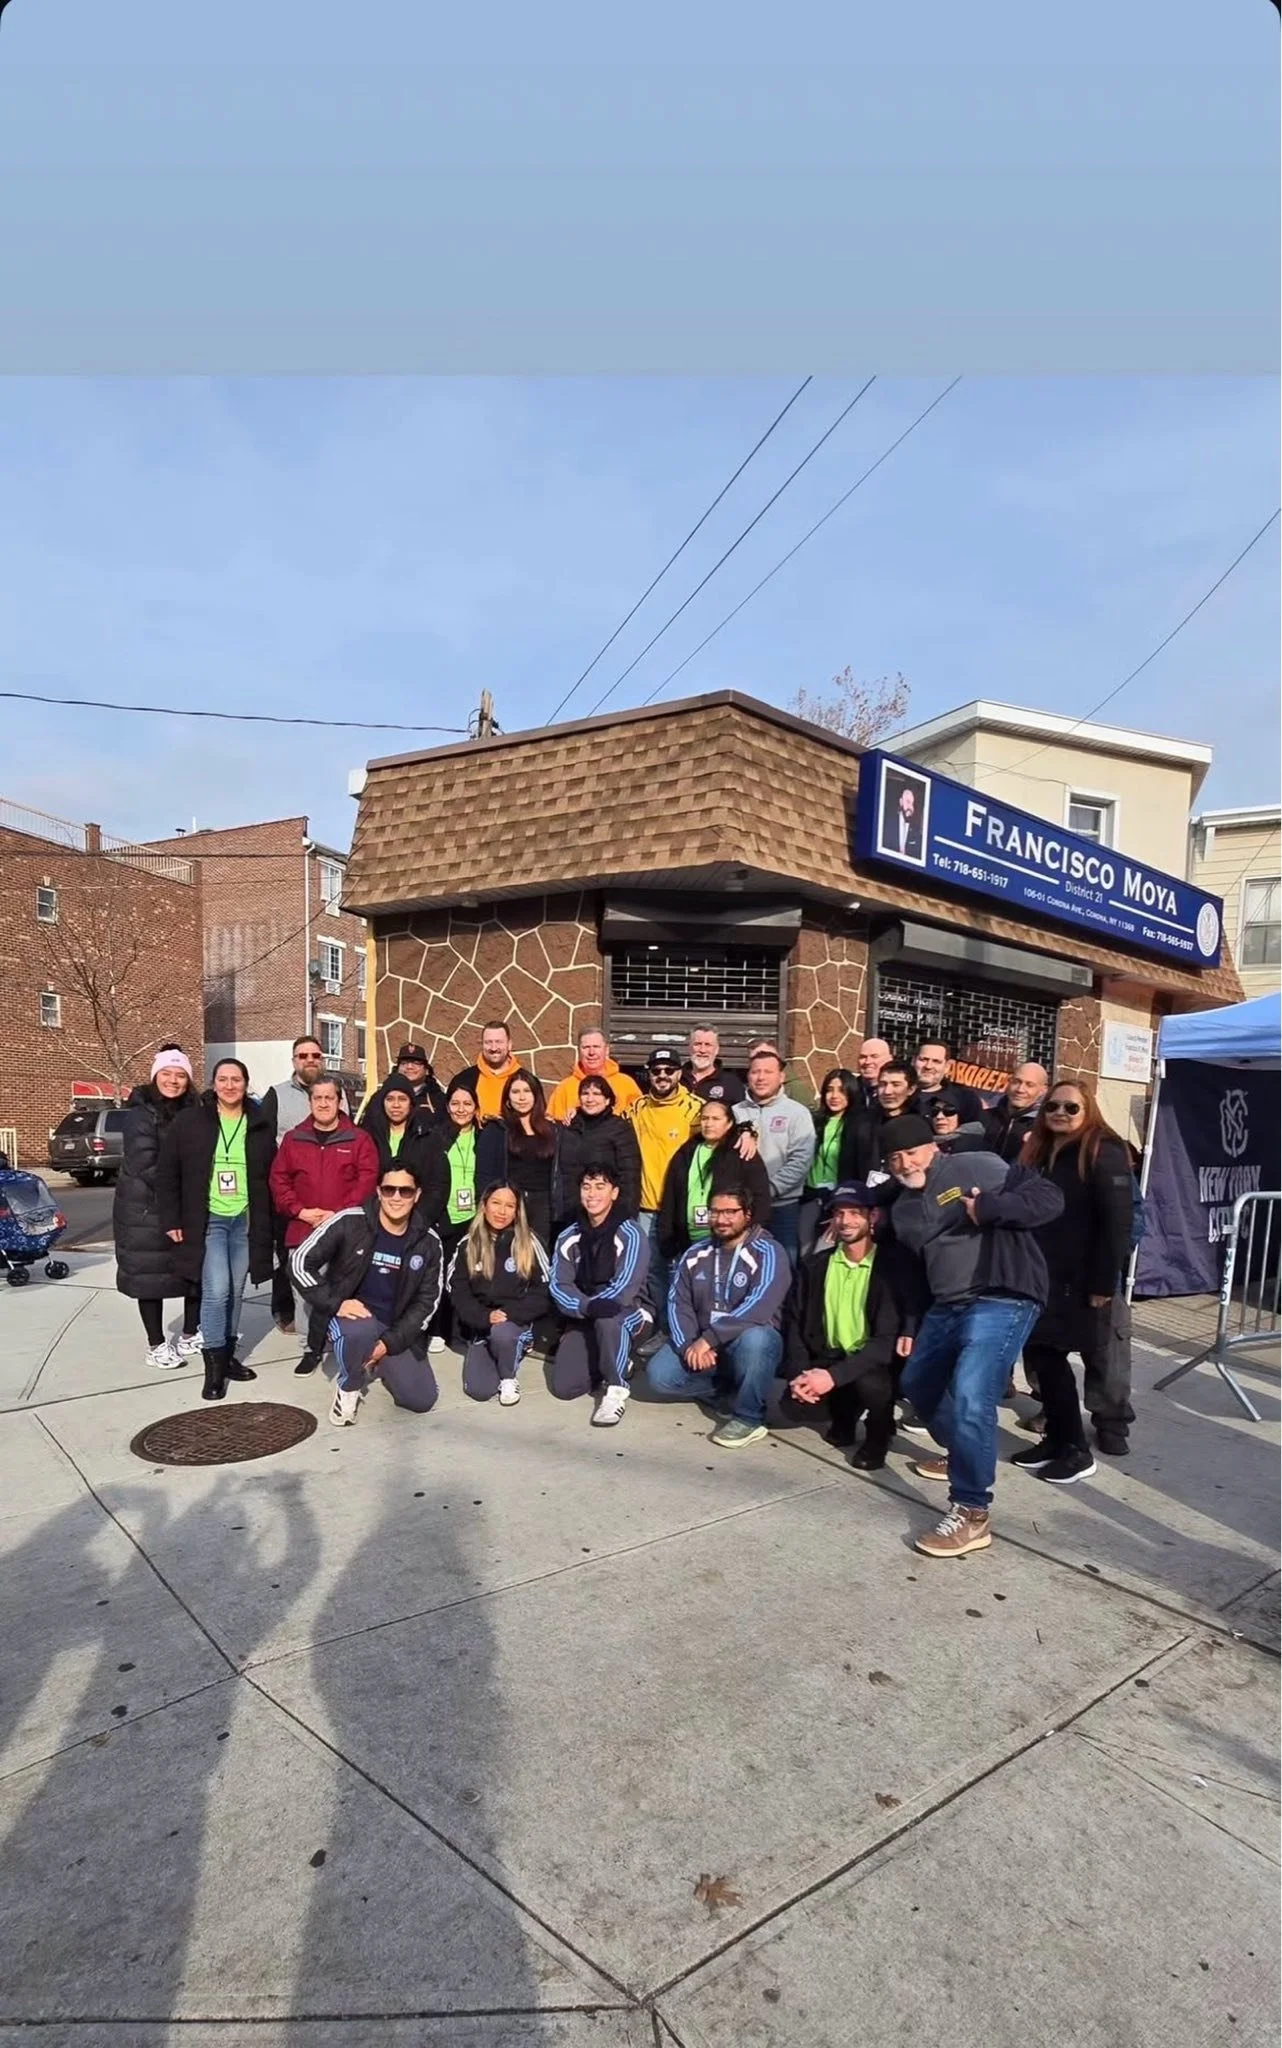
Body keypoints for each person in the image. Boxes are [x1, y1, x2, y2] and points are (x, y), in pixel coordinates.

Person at [884, 1114, 1063, 1559]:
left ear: (933, 1147)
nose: (905, 1162)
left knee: (970, 1394)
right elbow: (912, 1275)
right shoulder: (902, 1209)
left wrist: (990, 1209)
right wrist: (910, 1324)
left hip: (1001, 1295)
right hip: (946, 1305)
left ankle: (972, 1510)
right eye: (894, 1158)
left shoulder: (975, 1166)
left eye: (911, 1151)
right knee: (917, 1384)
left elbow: (1048, 1198)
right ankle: (964, 1451)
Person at [1013, 1080, 1136, 1475]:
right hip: (1041, 1275)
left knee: (1058, 1359)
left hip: (1080, 1281)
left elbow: (1118, 1222)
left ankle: (1077, 1451)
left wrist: (1103, 1283)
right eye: (1053, 1107)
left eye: (1071, 1107)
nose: (1060, 1114)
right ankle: (1058, 1438)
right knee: (1044, 1360)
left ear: (1088, 1110)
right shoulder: (1044, 1150)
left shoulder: (1104, 1149)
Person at [156, 1057, 276, 1403]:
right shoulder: (191, 1121)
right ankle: (213, 1368)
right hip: (208, 1219)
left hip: (245, 1217)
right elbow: (168, 1173)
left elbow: (271, 1173)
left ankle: (228, 1356)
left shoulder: (260, 1123)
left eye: (236, 1079)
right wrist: (173, 1220)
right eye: (222, 1079)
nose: (229, 1085)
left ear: (245, 1083)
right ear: (213, 1084)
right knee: (217, 1290)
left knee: (237, 1289)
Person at [290, 1161, 443, 1426]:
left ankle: (376, 1360)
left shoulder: (428, 1241)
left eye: (405, 1191)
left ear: (417, 1195)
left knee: (421, 1400)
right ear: (378, 1191)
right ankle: (349, 1386)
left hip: (393, 1325)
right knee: (357, 1332)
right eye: (389, 1189)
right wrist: (334, 1303)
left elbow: (426, 1303)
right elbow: (300, 1260)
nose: (396, 1197)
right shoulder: (351, 1221)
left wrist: (389, 1344)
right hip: (354, 1317)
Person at [648, 1183, 791, 1448]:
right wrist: (689, 1344)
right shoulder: (695, 1253)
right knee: (659, 1376)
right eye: (715, 1212)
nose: (721, 1219)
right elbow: (678, 1304)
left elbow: (759, 1306)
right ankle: (723, 1390)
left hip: (744, 1340)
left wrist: (709, 1339)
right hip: (705, 1343)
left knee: (757, 1340)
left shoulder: (769, 1252)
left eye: (730, 1212)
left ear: (747, 1214)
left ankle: (749, 1418)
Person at [786, 1182, 918, 1468]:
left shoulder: (892, 1265)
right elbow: (794, 1322)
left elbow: (885, 1343)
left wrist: (831, 1379)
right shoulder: (815, 1265)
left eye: (855, 1213)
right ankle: (843, 1416)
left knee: (872, 1383)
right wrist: (801, 1375)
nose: (846, 1221)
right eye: (839, 1213)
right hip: (829, 1355)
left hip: (872, 1361)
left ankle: (879, 1431)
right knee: (795, 1408)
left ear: (873, 1217)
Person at [268, 1074, 382, 1374]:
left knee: (343, 1291)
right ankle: (310, 1348)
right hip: (303, 1228)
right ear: (310, 1102)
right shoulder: (294, 1139)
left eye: (329, 1097)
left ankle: (340, 1344)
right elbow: (279, 1181)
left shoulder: (358, 1139)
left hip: (345, 1231)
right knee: (305, 1292)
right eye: (317, 1098)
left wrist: (338, 1215)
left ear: (339, 1100)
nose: (323, 1103)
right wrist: (300, 1210)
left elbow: (367, 1181)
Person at [113, 1045, 204, 1369]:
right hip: (145, 1210)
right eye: (167, 1074)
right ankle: (156, 1344)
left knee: (196, 1269)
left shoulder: (195, 1111)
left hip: (184, 1202)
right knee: (149, 1275)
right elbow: (145, 1164)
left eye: (180, 1075)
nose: (174, 1080)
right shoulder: (141, 1114)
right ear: (155, 1076)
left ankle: (191, 1333)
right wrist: (184, 1195)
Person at [547, 1165, 651, 1425]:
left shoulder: (631, 1233)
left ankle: (615, 1389)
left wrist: (595, 1308)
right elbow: (559, 1284)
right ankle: (614, 1359)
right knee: (564, 1387)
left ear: (614, 1193)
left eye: (600, 1187)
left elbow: (626, 1287)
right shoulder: (569, 1236)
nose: (592, 1194)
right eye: (586, 1187)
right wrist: (584, 1307)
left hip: (629, 1311)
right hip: (584, 1313)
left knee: (609, 1319)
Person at [448, 1182, 551, 1405]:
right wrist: (484, 1317)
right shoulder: (468, 1244)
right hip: (483, 1324)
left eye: (509, 1206)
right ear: (484, 1206)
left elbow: (544, 1290)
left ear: (517, 1211)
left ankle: (508, 1376)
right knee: (479, 1390)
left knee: (503, 1334)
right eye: (496, 1203)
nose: (502, 1211)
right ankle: (497, 1347)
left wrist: (509, 1313)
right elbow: (458, 1291)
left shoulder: (529, 1243)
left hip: (515, 1320)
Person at [429, 1080, 508, 1352]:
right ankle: (438, 1329)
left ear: (476, 1108)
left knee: (471, 1275)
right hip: (444, 1215)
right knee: (441, 1274)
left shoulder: (485, 1135)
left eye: (467, 1104)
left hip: (473, 1216)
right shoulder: (437, 1135)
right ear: (447, 1106)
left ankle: (464, 1330)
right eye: (455, 1104)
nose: (461, 1109)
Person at [629, 1047, 703, 1329]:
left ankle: (685, 1329)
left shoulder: (696, 1109)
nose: (662, 1076)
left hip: (682, 1208)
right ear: (648, 1074)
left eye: (669, 1070)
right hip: (646, 1207)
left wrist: (747, 1131)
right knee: (652, 1272)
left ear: (679, 1073)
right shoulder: (636, 1108)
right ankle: (661, 1328)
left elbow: (719, 1135)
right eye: (656, 1071)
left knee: (686, 1272)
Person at [260, 1035, 330, 1333]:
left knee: (325, 1255)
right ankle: (285, 1310)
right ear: (294, 1061)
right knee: (286, 1256)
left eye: (315, 1055)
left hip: (327, 1194)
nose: (310, 1060)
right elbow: (264, 1146)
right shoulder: (276, 1095)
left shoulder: (333, 1093)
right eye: (303, 1056)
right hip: (288, 1197)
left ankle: (323, 1311)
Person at [657, 1097, 772, 1262]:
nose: (709, 1123)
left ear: (729, 1123)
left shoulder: (741, 1151)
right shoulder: (686, 1151)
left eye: (716, 1119)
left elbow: (760, 1197)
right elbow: (671, 1197)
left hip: (729, 1241)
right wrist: (666, 1238)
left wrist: (750, 1237)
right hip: (688, 1242)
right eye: (704, 1118)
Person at [732, 1050, 816, 1260]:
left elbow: (800, 1161)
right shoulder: (734, 1113)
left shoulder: (797, 1113)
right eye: (755, 1072)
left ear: (781, 1077)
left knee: (783, 1266)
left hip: (783, 1209)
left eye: (768, 1072)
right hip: (741, 1209)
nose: (760, 1078)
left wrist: (768, 1190)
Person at [554, 1074, 642, 1225]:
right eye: (585, 1094)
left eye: (596, 1094)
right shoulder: (569, 1127)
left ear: (607, 1100)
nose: (590, 1099)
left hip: (606, 1214)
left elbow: (630, 1175)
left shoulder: (619, 1129)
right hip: (571, 1211)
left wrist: (625, 1214)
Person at [800, 1067, 864, 1250]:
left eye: (841, 1090)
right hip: (810, 1197)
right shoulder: (814, 1121)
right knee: (804, 1252)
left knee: (826, 1248)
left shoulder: (859, 1124)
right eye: (829, 1089)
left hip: (840, 1198)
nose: (834, 1096)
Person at [361, 1077, 449, 1203]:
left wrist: (420, 1218)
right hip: (375, 1214)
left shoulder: (426, 1136)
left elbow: (438, 1185)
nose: (396, 1105)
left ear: (411, 1103)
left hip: (417, 1214)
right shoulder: (368, 1137)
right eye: (390, 1099)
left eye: (402, 1099)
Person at [500, 1068, 561, 1251]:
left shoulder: (554, 1130)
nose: (521, 1097)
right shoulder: (501, 1129)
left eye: (527, 1091)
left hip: (544, 1205)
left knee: (540, 1256)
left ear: (536, 1095)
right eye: (516, 1092)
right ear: (508, 1099)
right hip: (513, 1202)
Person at [546, 1028, 642, 1122]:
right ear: (579, 1051)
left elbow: (640, 1121)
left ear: (606, 1050)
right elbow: (552, 1125)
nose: (591, 1052)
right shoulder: (565, 1087)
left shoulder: (626, 1084)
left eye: (596, 1047)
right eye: (586, 1047)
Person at [447, 1021, 524, 1124]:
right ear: (482, 1045)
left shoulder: (525, 1081)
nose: (493, 1048)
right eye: (488, 1042)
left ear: (509, 1044)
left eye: (499, 1042)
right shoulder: (463, 1080)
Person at [911, 1040, 988, 1128]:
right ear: (913, 1061)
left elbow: (974, 1135)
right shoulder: (898, 1094)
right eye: (923, 1060)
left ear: (947, 1067)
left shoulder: (966, 1098)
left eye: (936, 1061)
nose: (928, 1066)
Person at [988, 1062, 1050, 1163]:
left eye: (1029, 1085)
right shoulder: (984, 1116)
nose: (1020, 1089)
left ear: (1043, 1090)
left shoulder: (1044, 1126)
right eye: (1016, 1082)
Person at [682, 1027, 746, 1106]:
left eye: (708, 1045)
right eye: (697, 1044)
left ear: (717, 1049)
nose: (702, 1050)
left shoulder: (731, 1083)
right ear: (689, 1048)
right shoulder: (675, 1078)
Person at [390, 1042, 447, 1120]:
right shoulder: (383, 1096)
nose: (409, 1067)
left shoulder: (439, 1100)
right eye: (404, 1063)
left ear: (426, 1070)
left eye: (416, 1063)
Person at [926, 1092, 991, 1156]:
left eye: (949, 1111)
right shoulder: (923, 1141)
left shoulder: (973, 1148)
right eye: (934, 1111)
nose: (939, 1116)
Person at [853, 1037, 893, 1112]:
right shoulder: (850, 1090)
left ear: (889, 1059)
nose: (867, 1062)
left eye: (874, 1056)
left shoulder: (898, 1091)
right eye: (863, 1057)